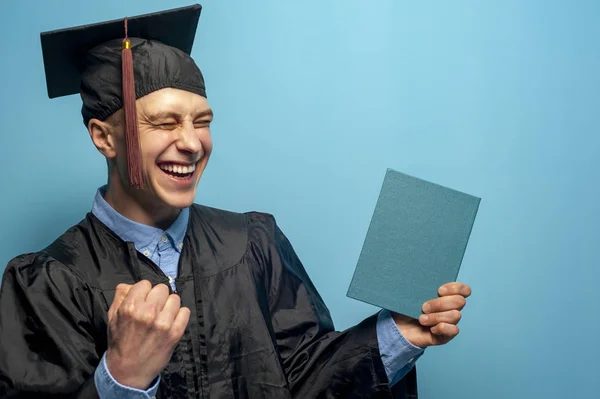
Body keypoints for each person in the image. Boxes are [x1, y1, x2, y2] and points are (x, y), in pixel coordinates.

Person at [0, 4, 471, 399]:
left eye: (201, 121)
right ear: (104, 137)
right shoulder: (48, 282)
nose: (191, 143)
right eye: (164, 123)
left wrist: (401, 333)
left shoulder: (253, 242)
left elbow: (308, 380)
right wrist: (121, 377)